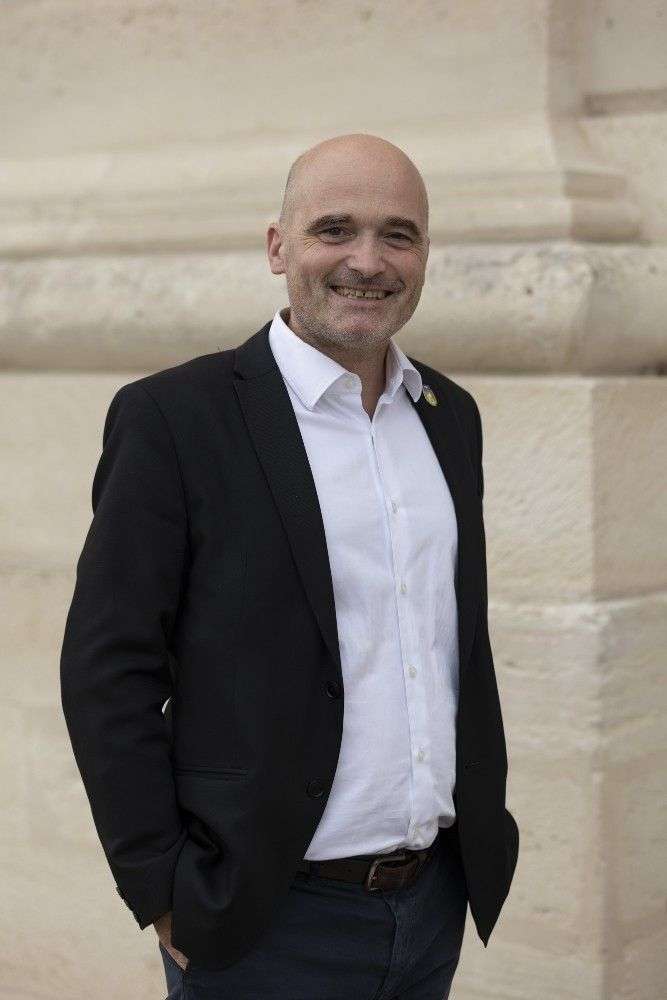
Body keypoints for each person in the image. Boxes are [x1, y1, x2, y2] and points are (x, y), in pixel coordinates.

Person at [60, 132, 519, 999]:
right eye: (333, 229)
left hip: (431, 904)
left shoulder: (447, 415)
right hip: (264, 920)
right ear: (278, 247)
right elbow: (107, 669)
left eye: (397, 235)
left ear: (424, 254)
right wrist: (162, 889)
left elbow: (448, 643)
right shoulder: (175, 418)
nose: (366, 261)